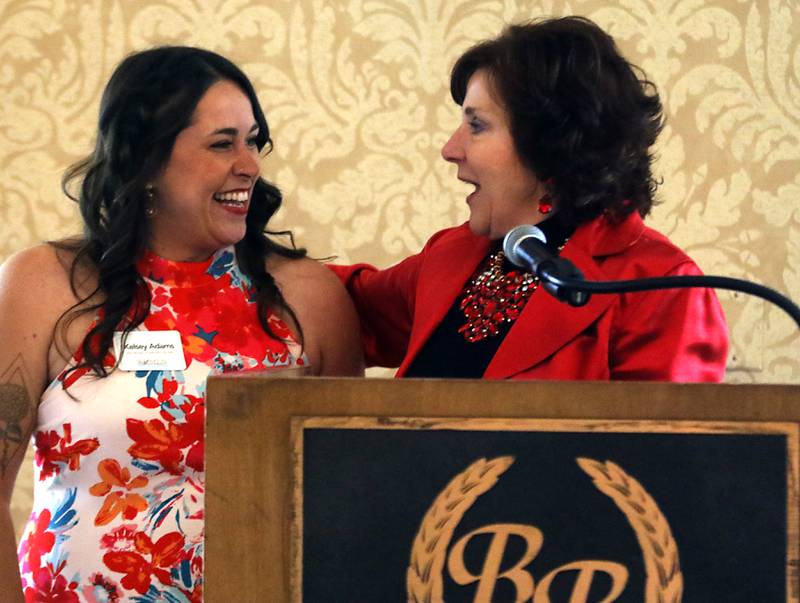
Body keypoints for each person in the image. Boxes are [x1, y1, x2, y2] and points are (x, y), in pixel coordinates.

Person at [0, 47, 363, 601]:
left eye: (253, 141)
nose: (250, 164)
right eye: (222, 143)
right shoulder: (42, 282)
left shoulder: (309, 297)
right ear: (145, 159)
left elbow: (343, 501)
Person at [332, 16, 728, 381]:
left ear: (551, 145)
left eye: (477, 125)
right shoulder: (450, 256)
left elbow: (665, 453)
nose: (450, 148)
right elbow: (334, 304)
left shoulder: (662, 289)